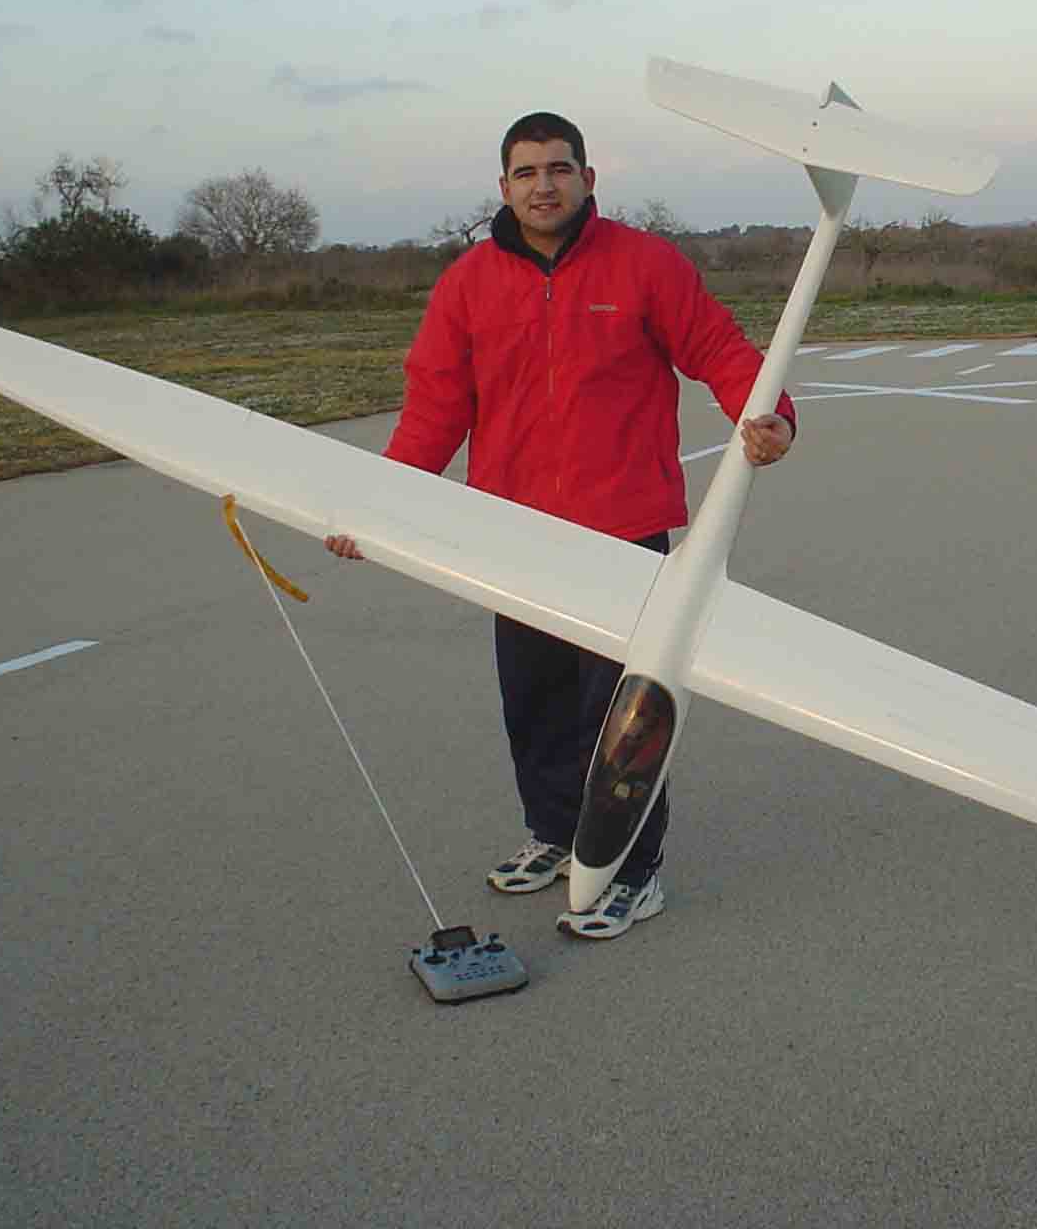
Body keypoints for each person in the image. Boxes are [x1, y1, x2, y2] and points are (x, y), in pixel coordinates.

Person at [324, 111, 795, 939]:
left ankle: (631, 870)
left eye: (559, 168)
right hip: (512, 533)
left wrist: (771, 416)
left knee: (622, 715)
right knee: (534, 700)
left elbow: (719, 349)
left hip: (621, 528)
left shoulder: (645, 264)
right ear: (504, 187)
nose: (544, 185)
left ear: (587, 178)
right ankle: (553, 830)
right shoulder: (468, 283)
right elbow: (434, 408)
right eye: (527, 172)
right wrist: (379, 507)